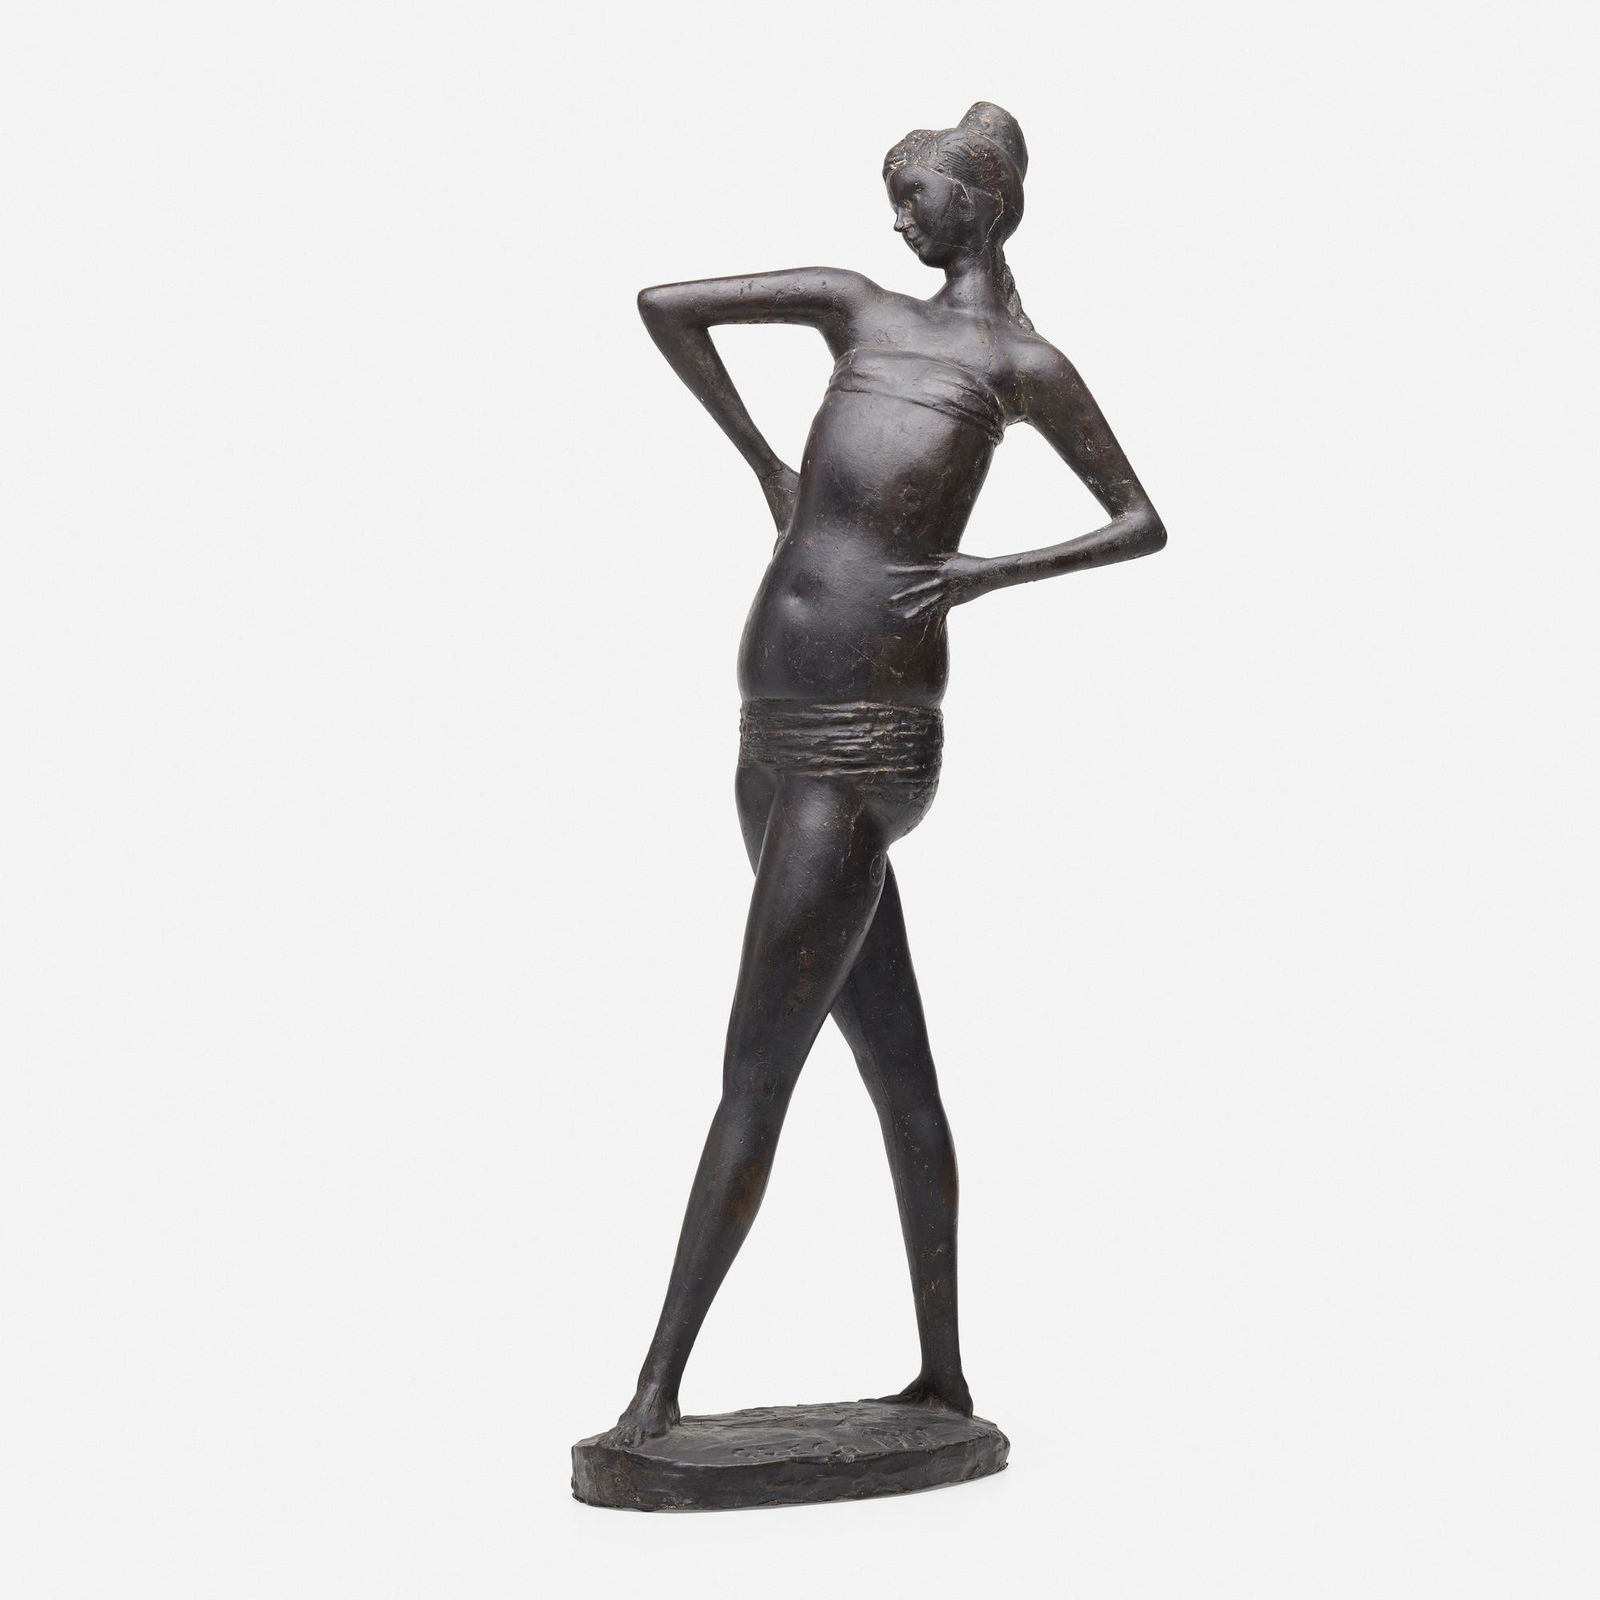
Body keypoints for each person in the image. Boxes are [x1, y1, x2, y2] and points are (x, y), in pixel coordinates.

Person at [610, 102, 1166, 1446]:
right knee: (900, 1079)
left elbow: (1139, 520)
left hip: (862, 745)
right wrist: (763, 459)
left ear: (985, 203)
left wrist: (979, 575)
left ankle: (652, 1395)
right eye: (896, 193)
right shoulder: (856, 308)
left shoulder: (1018, 364)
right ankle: (944, 1383)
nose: (899, 215)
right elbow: (667, 307)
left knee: (755, 1072)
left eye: (918, 193)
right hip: (774, 733)